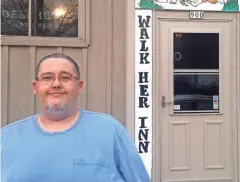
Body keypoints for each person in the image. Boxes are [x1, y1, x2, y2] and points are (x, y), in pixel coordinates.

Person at [1, 53, 151, 182]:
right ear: (35, 87)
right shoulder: (6, 139)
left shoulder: (110, 132)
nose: (56, 84)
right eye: (47, 78)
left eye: (65, 77)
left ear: (79, 86)